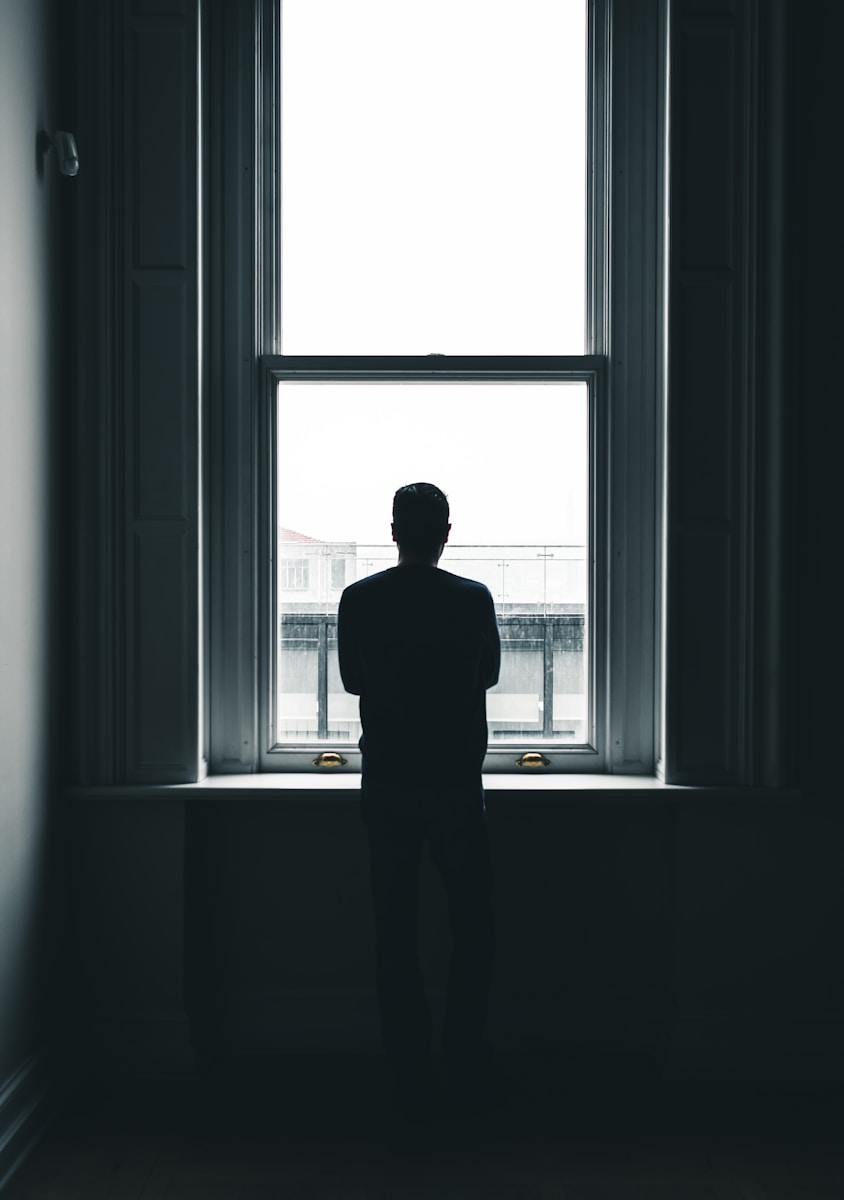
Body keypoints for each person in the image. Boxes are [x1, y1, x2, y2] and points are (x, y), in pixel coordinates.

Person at [337, 483, 501, 1117]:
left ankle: (408, 1069)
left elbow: (353, 680)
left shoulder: (360, 598)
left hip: (390, 780)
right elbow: (486, 675)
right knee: (473, 927)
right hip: (455, 781)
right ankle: (463, 1057)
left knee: (395, 929)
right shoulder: (471, 599)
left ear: (395, 531)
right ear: (445, 532)